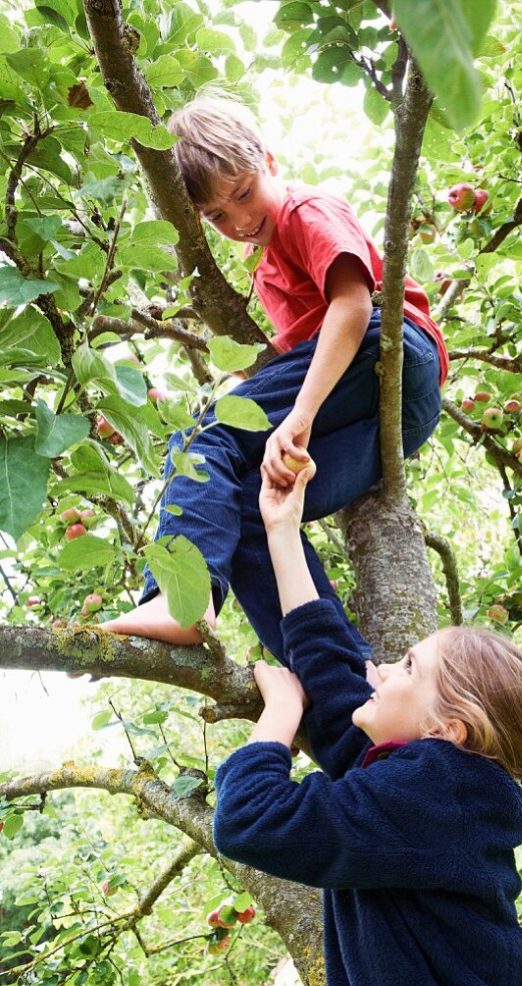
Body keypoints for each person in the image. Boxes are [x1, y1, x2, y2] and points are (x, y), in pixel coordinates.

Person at [213, 462, 522, 986]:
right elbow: (335, 677)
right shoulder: (428, 795)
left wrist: (280, 712)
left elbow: (251, 818)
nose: (379, 670)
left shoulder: (438, 792)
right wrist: (281, 528)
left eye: (407, 666)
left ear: (446, 729)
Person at [102, 94, 448, 664]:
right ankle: (338, 674)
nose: (239, 220)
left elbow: (353, 307)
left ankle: (177, 596)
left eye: (242, 193)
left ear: (269, 161)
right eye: (216, 216)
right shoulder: (264, 271)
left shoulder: (305, 211)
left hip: (392, 346)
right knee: (255, 507)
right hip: (393, 420)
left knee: (200, 438)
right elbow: (290, 367)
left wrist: (300, 413)